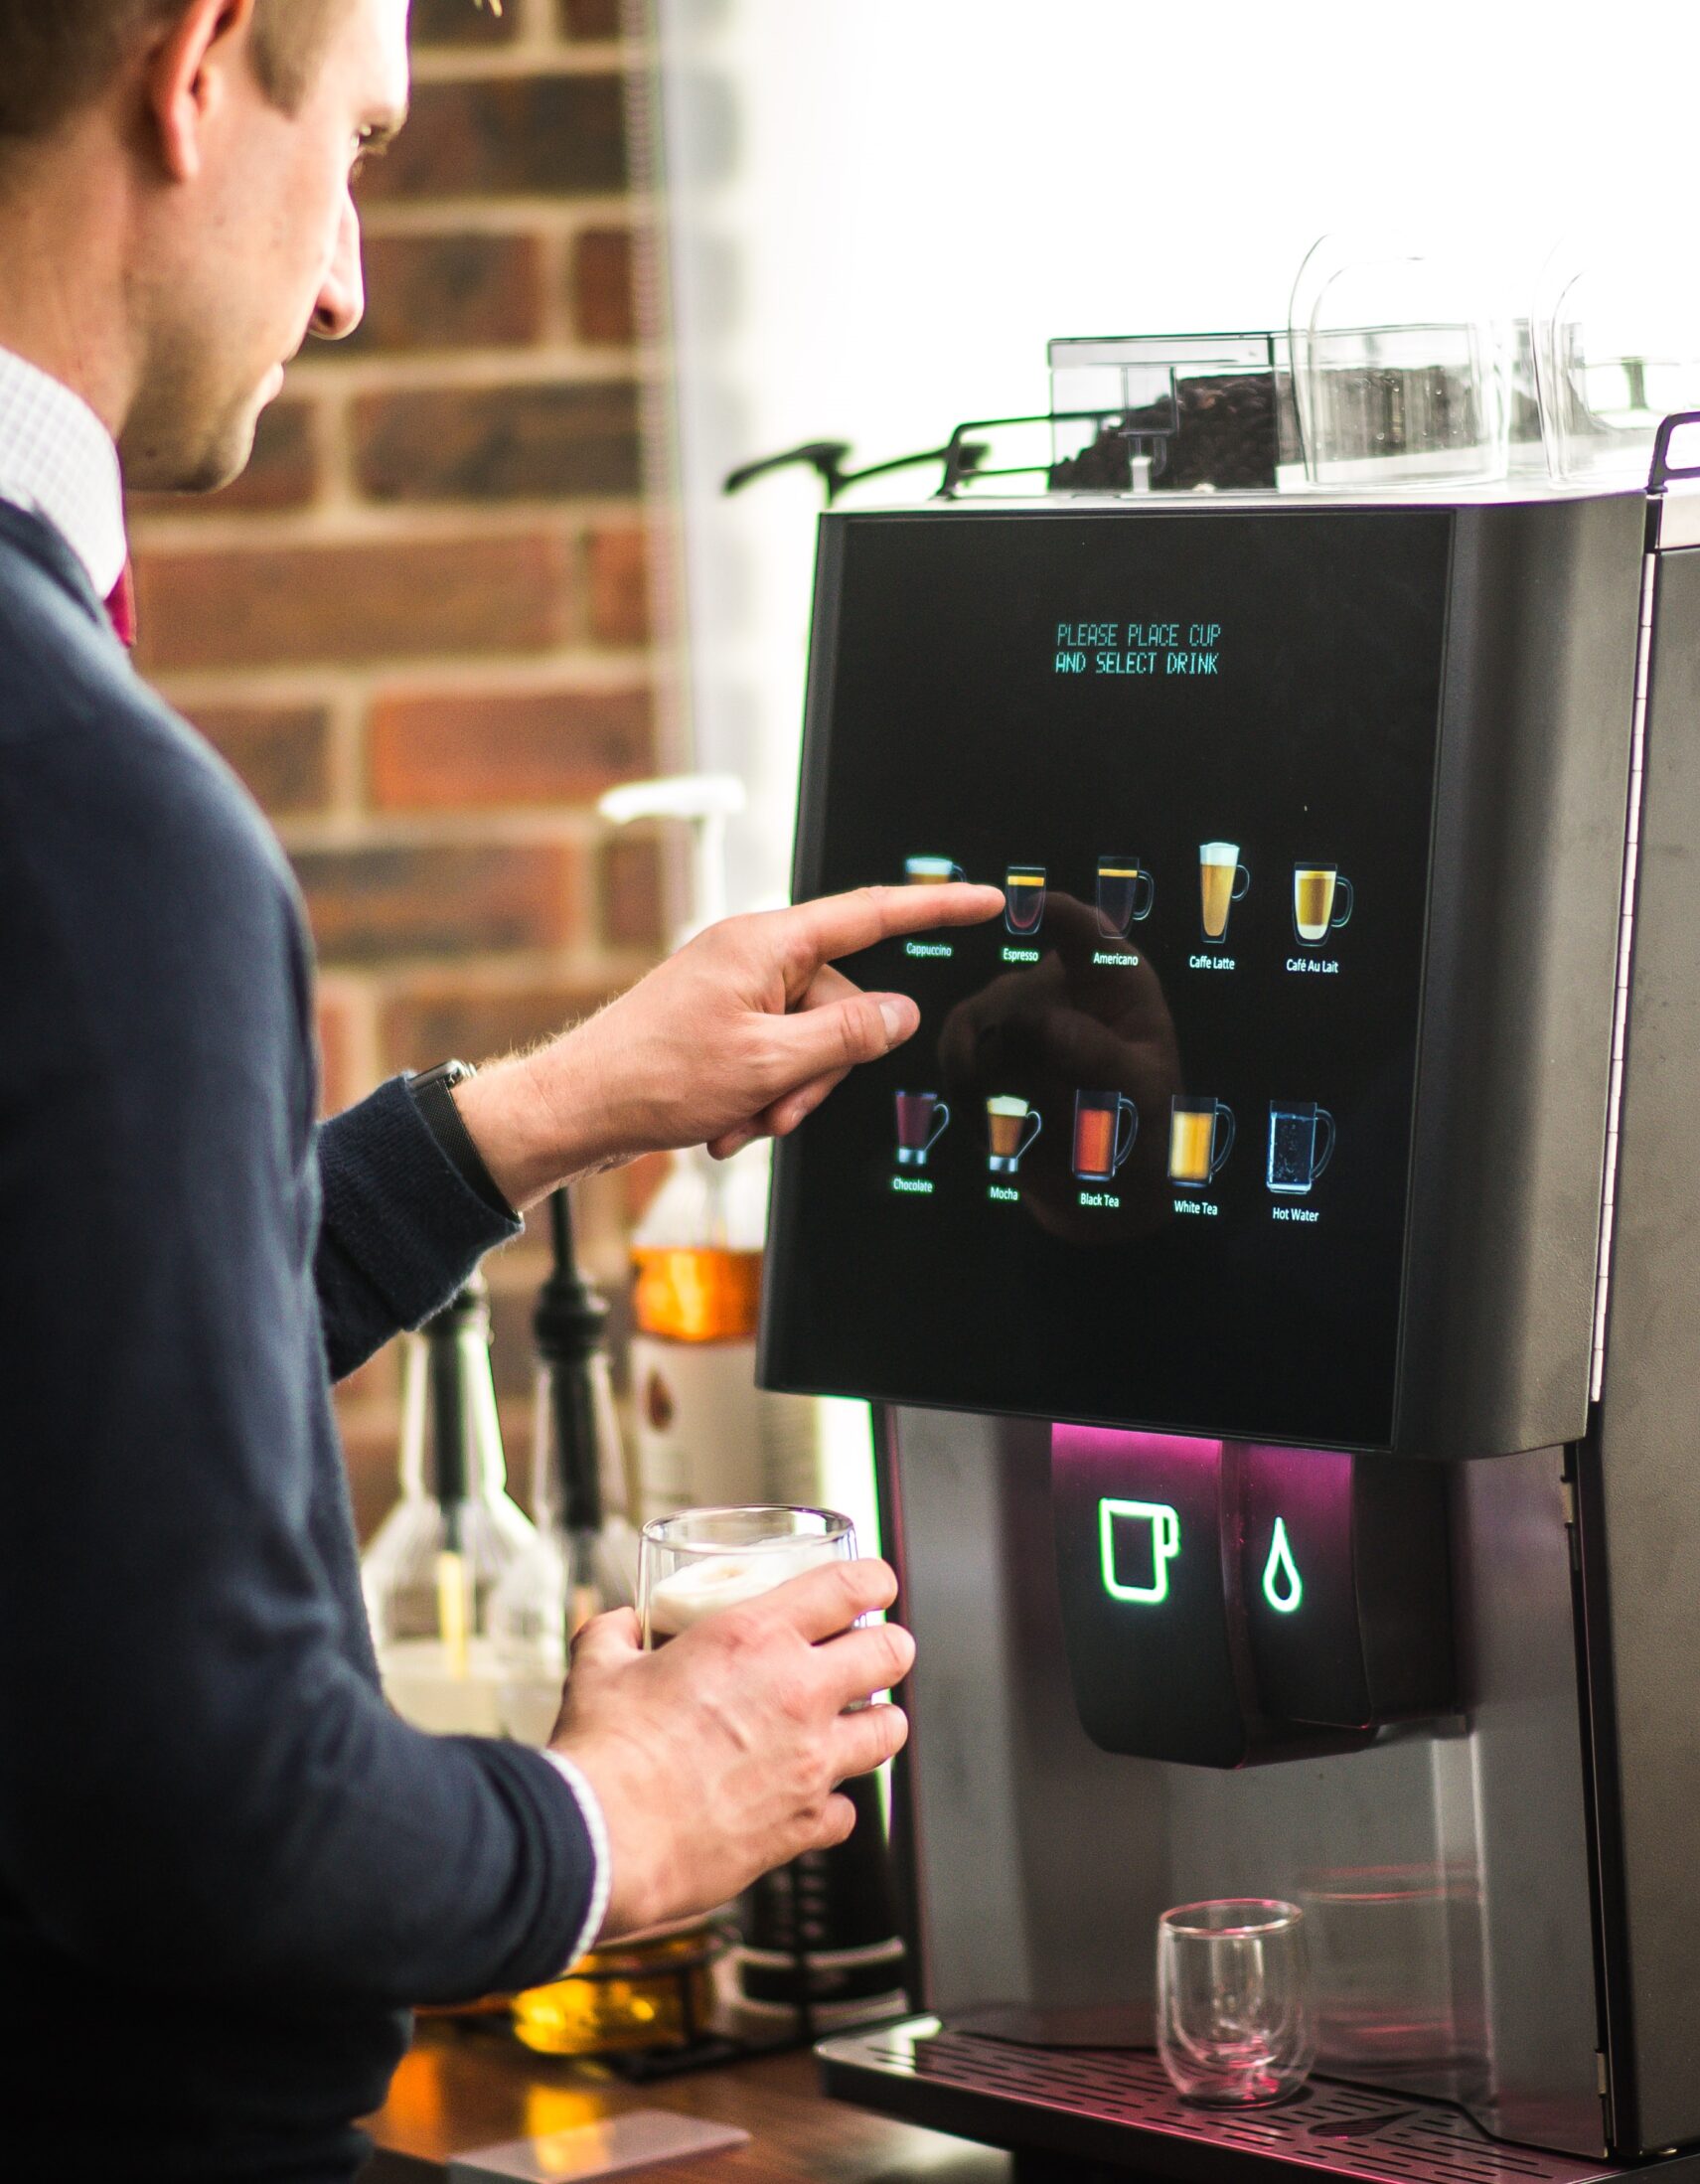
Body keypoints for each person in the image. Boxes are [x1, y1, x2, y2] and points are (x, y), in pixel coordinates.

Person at [0, 1, 1005, 2174]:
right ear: (200, 69)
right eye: (353, 142)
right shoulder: (89, 816)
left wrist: (538, 1112)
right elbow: (202, 1815)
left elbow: (43, 1388)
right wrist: (617, 1811)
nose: (347, 277)